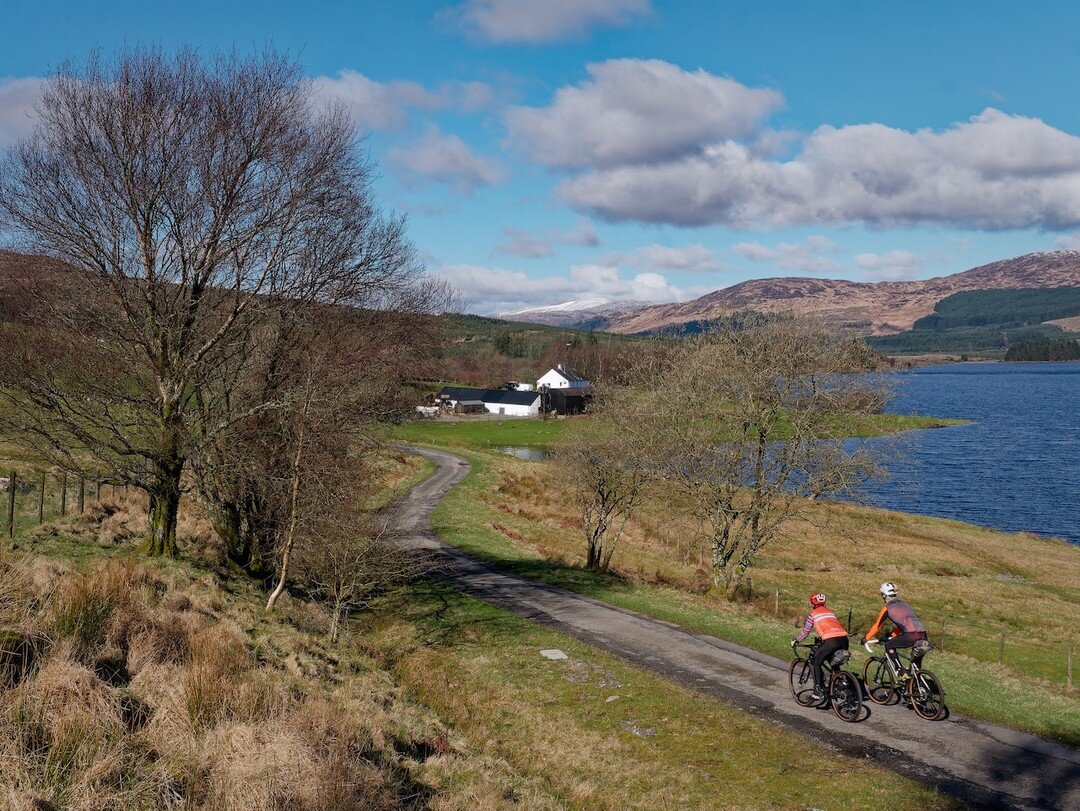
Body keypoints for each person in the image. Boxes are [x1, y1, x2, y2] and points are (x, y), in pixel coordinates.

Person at [791, 592, 849, 702]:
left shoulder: (812, 615)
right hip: (844, 639)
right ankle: (842, 680)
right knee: (832, 659)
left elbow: (805, 632)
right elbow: (832, 626)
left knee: (816, 661)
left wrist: (797, 640)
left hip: (830, 640)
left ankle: (818, 691)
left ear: (813, 603)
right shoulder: (831, 612)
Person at [861, 581, 930, 672]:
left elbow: (877, 626)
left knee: (889, 645)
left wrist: (866, 638)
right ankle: (917, 681)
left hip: (910, 635)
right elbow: (905, 624)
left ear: (885, 595)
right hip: (923, 634)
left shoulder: (887, 608)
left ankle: (900, 670)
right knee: (915, 663)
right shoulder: (906, 605)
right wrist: (893, 635)